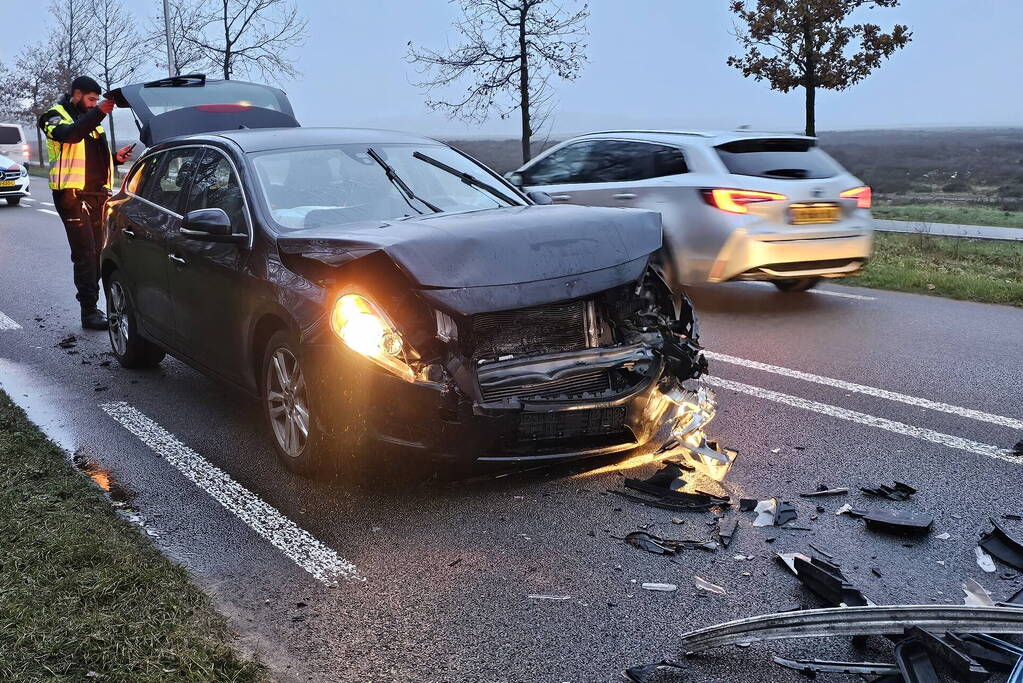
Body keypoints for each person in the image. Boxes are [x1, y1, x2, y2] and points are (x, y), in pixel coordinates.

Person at [39, 76, 134, 330]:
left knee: (99, 253)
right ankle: (89, 311)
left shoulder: (92, 123)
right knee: (86, 254)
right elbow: (70, 136)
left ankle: (97, 307)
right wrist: (99, 112)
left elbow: (90, 157)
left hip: (97, 196)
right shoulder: (53, 116)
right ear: (77, 94)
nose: (94, 104)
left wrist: (115, 158)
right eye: (91, 100)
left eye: (97, 101)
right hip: (72, 196)